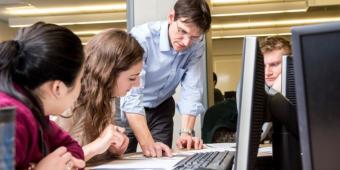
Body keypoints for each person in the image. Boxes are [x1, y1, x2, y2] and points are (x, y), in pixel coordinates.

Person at [118, 0, 212, 157]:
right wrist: (148, 144)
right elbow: (132, 96)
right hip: (129, 104)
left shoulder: (196, 45)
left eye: (194, 36)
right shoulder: (141, 38)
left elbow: (192, 88)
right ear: (171, 17)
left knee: (161, 158)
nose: (186, 42)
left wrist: (186, 133)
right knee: (120, 158)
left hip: (161, 106)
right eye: (182, 31)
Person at [0, 22, 85, 169]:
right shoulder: (9, 116)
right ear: (58, 88)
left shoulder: (34, 111)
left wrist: (64, 162)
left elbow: (72, 147)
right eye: (80, 80)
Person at [55, 29, 146, 163]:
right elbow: (52, 163)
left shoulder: (106, 96)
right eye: (132, 78)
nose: (138, 84)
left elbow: (92, 153)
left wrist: (110, 148)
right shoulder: (67, 100)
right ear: (108, 74)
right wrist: (98, 144)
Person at [260, 36, 292, 142]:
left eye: (274, 64)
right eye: (264, 66)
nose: (267, 72)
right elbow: (259, 136)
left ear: (290, 63)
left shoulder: (302, 90)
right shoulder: (260, 92)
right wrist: (274, 94)